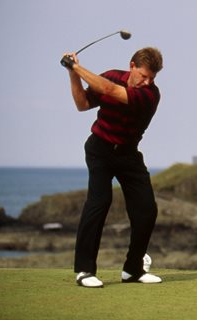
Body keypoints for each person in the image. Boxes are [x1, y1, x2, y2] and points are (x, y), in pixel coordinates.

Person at [61, 47, 164, 288]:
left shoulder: (150, 95)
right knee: (99, 202)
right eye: (143, 75)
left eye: (152, 78)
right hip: (99, 150)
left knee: (146, 209)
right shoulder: (110, 75)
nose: (147, 81)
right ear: (131, 66)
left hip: (128, 155)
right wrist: (72, 74)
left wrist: (75, 66)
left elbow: (108, 90)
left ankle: (133, 269)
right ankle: (84, 270)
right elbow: (83, 104)